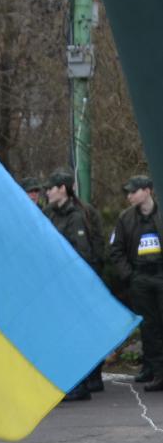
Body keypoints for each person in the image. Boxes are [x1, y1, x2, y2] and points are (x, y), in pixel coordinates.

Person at [45, 168, 105, 399]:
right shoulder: (50, 214)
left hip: (74, 285)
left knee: (77, 334)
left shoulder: (77, 215)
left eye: (51, 188)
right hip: (58, 285)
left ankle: (81, 385)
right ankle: (75, 382)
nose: (47, 192)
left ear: (63, 189)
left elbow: (85, 253)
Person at [109, 175, 163, 391]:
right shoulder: (126, 218)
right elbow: (116, 249)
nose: (129, 196)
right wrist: (130, 276)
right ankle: (158, 372)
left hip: (160, 275)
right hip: (140, 278)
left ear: (147, 190)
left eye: (134, 191)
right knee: (149, 328)